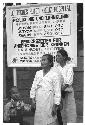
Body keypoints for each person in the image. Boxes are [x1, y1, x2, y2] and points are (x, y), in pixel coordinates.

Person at [30, 54, 62, 125]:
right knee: (39, 119)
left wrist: (55, 105)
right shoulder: (38, 73)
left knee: (50, 119)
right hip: (39, 101)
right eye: (41, 60)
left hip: (49, 101)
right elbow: (33, 87)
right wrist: (32, 99)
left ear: (50, 63)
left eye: (44, 60)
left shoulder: (54, 75)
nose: (42, 62)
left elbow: (57, 91)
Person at [54, 49, 77, 125]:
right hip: (57, 92)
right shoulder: (55, 67)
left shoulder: (69, 67)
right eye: (56, 55)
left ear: (64, 57)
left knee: (68, 109)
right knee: (58, 110)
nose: (56, 57)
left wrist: (61, 89)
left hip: (67, 92)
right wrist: (58, 91)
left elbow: (68, 81)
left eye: (58, 56)